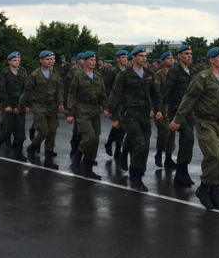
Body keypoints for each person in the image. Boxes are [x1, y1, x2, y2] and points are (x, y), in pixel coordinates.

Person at [170, 47, 219, 211]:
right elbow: (189, 98)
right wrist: (177, 119)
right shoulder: (203, 78)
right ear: (212, 60)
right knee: (214, 155)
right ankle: (204, 188)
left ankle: (214, 193)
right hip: (205, 123)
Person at [108, 46, 160, 191]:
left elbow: (156, 94)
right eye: (141, 56)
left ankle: (127, 153)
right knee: (140, 144)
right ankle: (135, 175)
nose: (144, 58)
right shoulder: (124, 75)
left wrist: (158, 110)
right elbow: (116, 95)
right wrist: (115, 116)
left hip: (144, 115)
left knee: (145, 146)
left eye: (145, 56)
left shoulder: (150, 73)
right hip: (129, 114)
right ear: (134, 58)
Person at [16, 50, 65, 168]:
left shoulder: (55, 74)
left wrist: (61, 103)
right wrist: (20, 106)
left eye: (52, 59)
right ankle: (31, 148)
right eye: (47, 59)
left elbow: (59, 90)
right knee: (44, 131)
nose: (50, 61)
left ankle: (48, 160)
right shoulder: (34, 75)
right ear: (41, 60)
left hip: (52, 107)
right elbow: (26, 93)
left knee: (52, 132)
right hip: (39, 106)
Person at [66, 51, 110, 179]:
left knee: (95, 140)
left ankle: (88, 168)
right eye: (90, 60)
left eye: (94, 60)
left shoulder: (98, 76)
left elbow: (102, 94)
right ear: (84, 61)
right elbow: (72, 95)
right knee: (89, 137)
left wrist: (106, 107)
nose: (93, 62)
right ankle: (78, 155)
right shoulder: (78, 76)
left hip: (95, 111)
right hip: (82, 111)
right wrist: (70, 113)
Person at [161, 44, 198, 187]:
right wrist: (161, 110)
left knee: (187, 141)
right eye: (186, 53)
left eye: (190, 53)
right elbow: (165, 91)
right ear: (179, 56)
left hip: (189, 112)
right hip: (176, 111)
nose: (189, 56)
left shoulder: (193, 71)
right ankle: (181, 172)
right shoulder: (174, 71)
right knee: (188, 137)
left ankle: (182, 172)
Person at [0, 51, 28, 160]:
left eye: (18, 60)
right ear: (9, 61)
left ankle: (18, 152)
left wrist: (26, 104)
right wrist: (6, 105)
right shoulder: (4, 73)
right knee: (7, 129)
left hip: (20, 103)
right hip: (9, 103)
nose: (17, 62)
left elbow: (26, 89)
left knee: (20, 131)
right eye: (14, 60)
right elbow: (2, 90)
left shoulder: (23, 71)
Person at [104, 50, 129, 163]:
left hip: (126, 104)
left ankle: (118, 149)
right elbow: (108, 89)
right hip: (115, 103)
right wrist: (108, 106)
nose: (125, 59)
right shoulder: (112, 71)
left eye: (126, 57)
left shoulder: (129, 71)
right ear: (118, 59)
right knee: (117, 125)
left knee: (124, 127)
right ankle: (109, 143)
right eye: (123, 57)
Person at [153, 51, 176, 168]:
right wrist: (158, 109)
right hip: (161, 107)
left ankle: (168, 158)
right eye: (168, 58)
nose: (171, 59)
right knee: (165, 131)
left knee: (172, 132)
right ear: (163, 61)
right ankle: (158, 153)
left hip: (173, 107)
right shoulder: (159, 74)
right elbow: (157, 93)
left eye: (172, 58)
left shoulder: (176, 73)